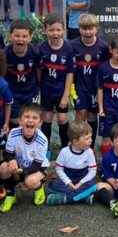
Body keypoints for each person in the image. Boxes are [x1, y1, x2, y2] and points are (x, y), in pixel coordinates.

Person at [0, 104, 49, 212]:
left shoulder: (42, 140)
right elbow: (8, 153)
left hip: (37, 167)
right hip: (20, 165)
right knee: (3, 168)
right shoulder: (13, 133)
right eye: (27, 117)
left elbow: (37, 164)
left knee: (30, 181)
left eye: (35, 118)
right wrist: (11, 160)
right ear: (20, 121)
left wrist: (23, 172)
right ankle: (10, 195)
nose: (30, 120)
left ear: (40, 123)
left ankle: (39, 188)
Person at [39, 13, 75, 147]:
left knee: (62, 118)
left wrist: (66, 96)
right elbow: (39, 71)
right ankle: (45, 150)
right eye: (51, 30)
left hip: (61, 91)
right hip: (47, 91)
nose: (55, 33)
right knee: (46, 118)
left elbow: (70, 74)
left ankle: (65, 148)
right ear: (45, 30)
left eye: (58, 30)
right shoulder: (41, 48)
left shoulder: (68, 48)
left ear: (64, 31)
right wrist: (39, 87)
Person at [72, 14, 110, 141]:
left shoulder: (103, 47)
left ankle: (90, 146)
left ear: (96, 29)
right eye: (84, 28)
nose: (87, 32)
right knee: (80, 115)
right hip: (79, 87)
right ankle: (76, 143)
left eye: (90, 28)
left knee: (92, 116)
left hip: (95, 88)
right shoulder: (73, 45)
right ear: (79, 29)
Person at [46, 120, 98, 205]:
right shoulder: (64, 151)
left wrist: (80, 183)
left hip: (82, 178)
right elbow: (59, 169)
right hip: (67, 177)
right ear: (75, 141)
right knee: (56, 185)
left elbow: (92, 171)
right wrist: (68, 182)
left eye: (91, 137)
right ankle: (83, 197)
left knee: (93, 185)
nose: (91, 140)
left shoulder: (89, 152)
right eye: (87, 138)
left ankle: (64, 199)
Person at [4, 20, 40, 125]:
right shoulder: (4, 54)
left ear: (30, 37)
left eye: (24, 36)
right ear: (10, 36)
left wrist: (37, 88)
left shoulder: (35, 52)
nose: (20, 39)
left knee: (31, 121)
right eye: (17, 36)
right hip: (12, 92)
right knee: (15, 121)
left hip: (30, 92)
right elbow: (1, 74)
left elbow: (38, 72)